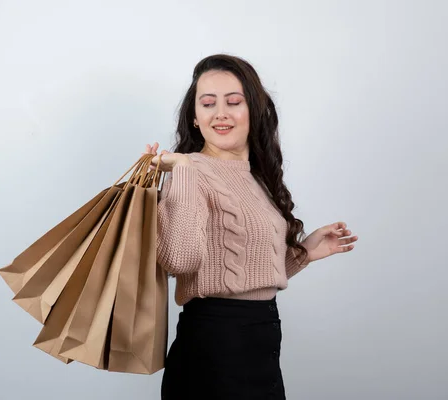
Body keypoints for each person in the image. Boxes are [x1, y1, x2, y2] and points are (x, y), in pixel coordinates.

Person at [144, 54, 358, 399]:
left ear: (253, 111)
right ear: (195, 119)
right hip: (213, 345)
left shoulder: (256, 178)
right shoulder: (189, 171)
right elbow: (179, 261)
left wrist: (304, 253)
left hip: (261, 338)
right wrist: (181, 169)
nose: (221, 113)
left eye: (234, 101)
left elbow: (243, 275)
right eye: (208, 103)